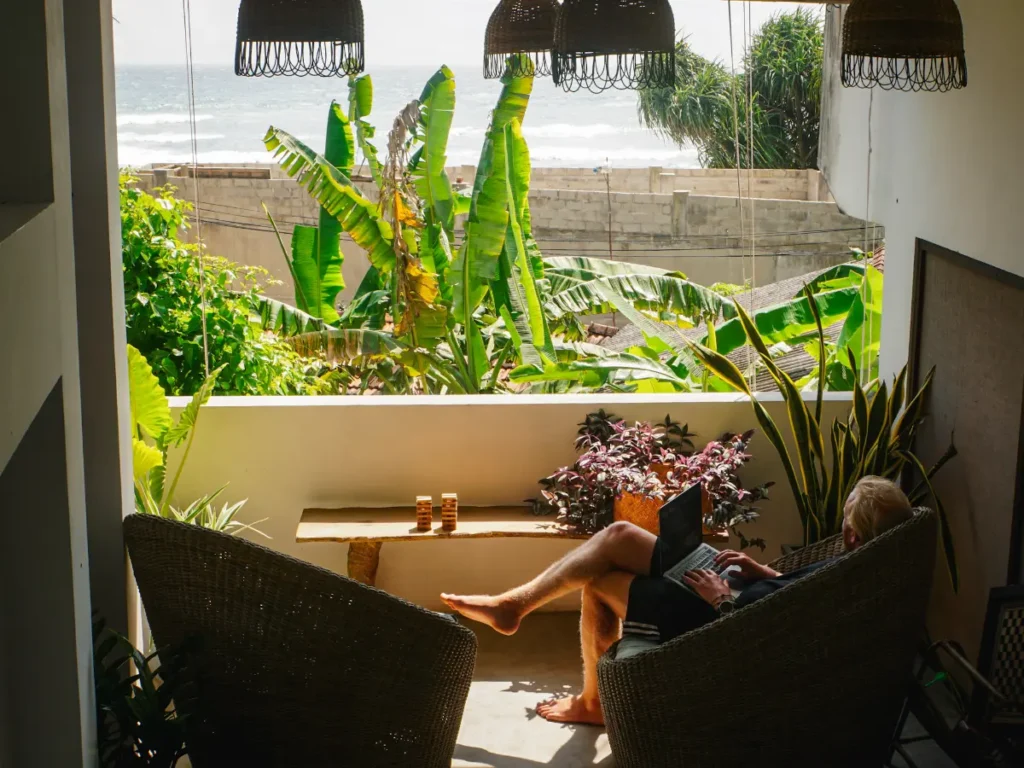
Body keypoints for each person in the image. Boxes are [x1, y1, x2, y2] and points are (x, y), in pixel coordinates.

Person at [441, 475, 914, 726]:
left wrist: (722, 598)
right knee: (621, 534)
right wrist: (762, 571)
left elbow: (772, 638)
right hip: (737, 595)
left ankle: (592, 703)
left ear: (851, 535)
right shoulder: (870, 567)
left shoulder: (851, 582)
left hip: (717, 621)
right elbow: (797, 597)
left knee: (601, 583)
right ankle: (514, 605)